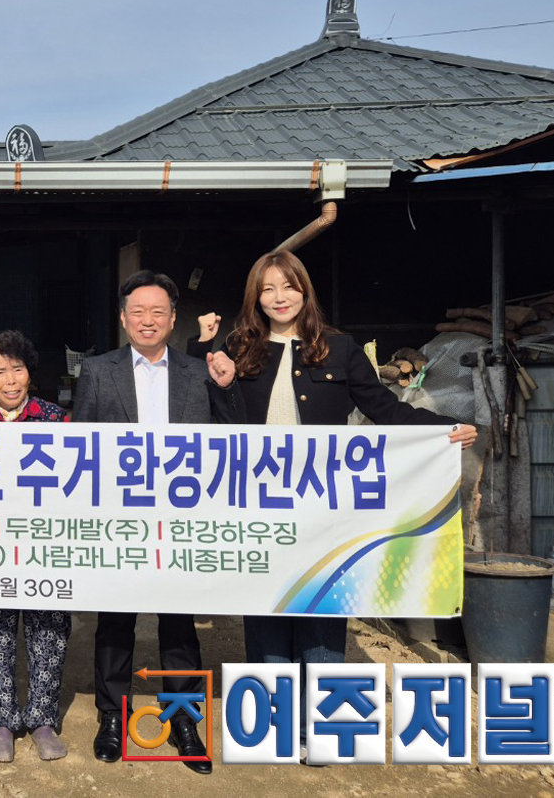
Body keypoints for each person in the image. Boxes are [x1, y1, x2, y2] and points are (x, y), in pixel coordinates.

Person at [193, 249, 477, 765]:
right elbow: (220, 423)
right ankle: (274, 727)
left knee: (324, 604)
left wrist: (442, 430)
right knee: (267, 607)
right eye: (267, 289)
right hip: (261, 504)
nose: (279, 297)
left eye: (288, 286)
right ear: (255, 298)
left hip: (325, 504)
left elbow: (384, 409)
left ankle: (322, 727)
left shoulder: (340, 348)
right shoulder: (239, 347)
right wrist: (215, 370)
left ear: (305, 291)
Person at [73, 269, 237, 773]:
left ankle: (183, 719)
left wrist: (226, 389)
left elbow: (231, 436)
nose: (148, 320)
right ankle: (112, 715)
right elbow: (79, 444)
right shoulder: (97, 371)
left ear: (172, 318)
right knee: (115, 619)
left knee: (179, 621)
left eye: (158, 312)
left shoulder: (198, 371)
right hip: (119, 519)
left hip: (180, 519)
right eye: (138, 312)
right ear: (124, 319)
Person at [0, 330, 70, 763]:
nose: (10, 380)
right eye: (0, 371)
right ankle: (3, 721)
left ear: (29, 373)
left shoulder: (55, 418)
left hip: (44, 545)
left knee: (49, 632)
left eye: (17, 370)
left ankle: (42, 719)